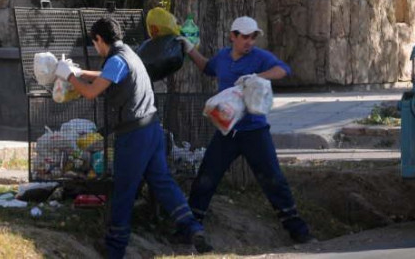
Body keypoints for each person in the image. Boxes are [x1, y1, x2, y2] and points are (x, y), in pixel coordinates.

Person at [59, 17, 211, 258]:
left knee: (124, 190)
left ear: (99, 39)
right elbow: (106, 75)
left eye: (95, 43)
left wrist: (69, 77)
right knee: (163, 183)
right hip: (152, 129)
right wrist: (79, 71)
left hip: (133, 135)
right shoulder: (129, 53)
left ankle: (115, 248)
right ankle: (192, 228)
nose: (96, 48)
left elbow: (90, 92)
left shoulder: (116, 60)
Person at [179, 15, 314, 244]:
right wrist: (189, 48)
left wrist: (256, 77)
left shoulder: (259, 58)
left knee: (273, 179)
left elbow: (283, 70)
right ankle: (191, 229)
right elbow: (207, 67)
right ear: (233, 36)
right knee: (206, 177)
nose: (249, 42)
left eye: (253, 37)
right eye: (244, 37)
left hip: (254, 131)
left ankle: (298, 231)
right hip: (227, 131)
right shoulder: (222, 57)